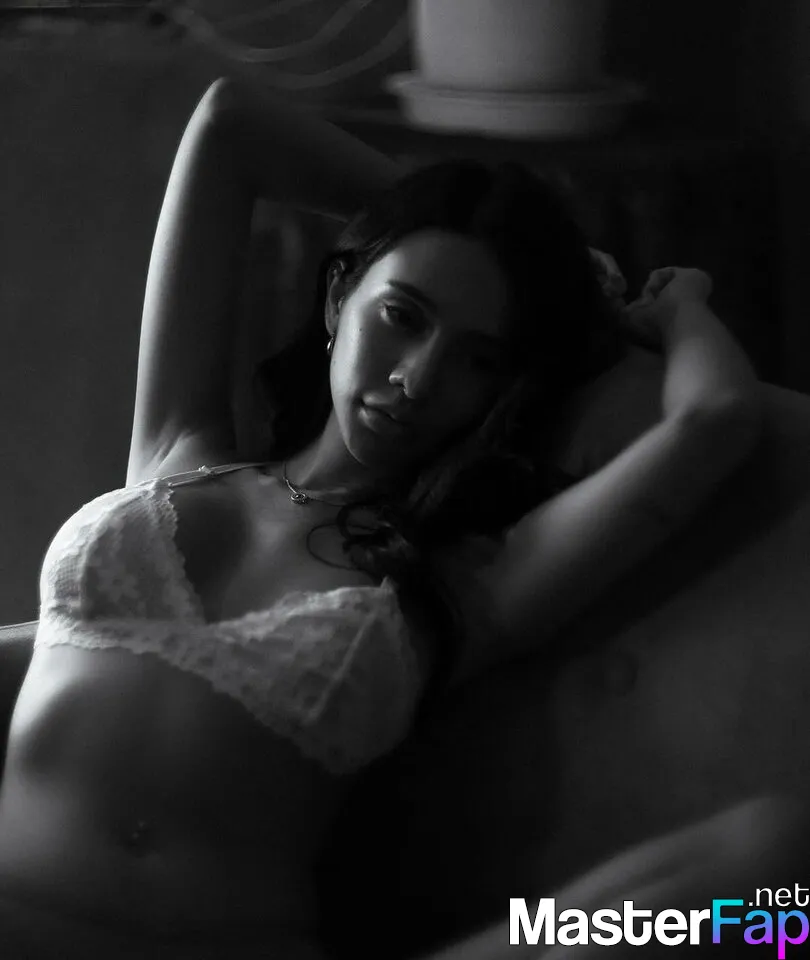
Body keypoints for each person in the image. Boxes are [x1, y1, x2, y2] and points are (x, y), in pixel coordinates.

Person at [0, 56, 803, 960]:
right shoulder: (178, 449)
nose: (418, 380)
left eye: (477, 360)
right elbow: (230, 124)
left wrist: (679, 308)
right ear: (339, 297)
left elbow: (715, 417)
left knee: (771, 867)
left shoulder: (460, 584)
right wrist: (449, 220)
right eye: (404, 316)